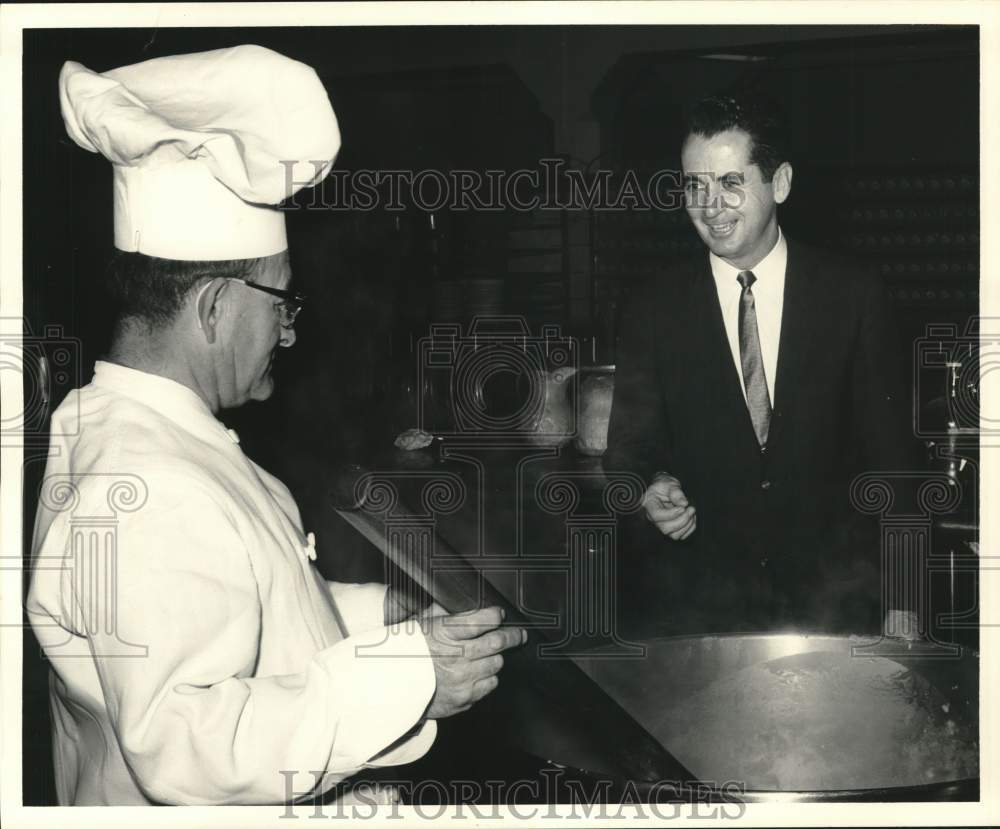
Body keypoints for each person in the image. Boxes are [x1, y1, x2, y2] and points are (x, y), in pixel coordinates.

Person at [27, 45, 524, 807]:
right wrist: (408, 677)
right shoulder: (152, 486)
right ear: (215, 307)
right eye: (281, 305)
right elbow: (183, 742)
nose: (290, 334)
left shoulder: (127, 425)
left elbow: (235, 608)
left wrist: (379, 615)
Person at [606, 92, 916, 630]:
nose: (709, 207)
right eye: (694, 185)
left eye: (730, 183)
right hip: (700, 611)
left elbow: (894, 459)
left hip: (835, 603)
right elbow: (628, 451)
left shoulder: (853, 294)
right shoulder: (653, 307)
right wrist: (650, 484)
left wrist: (905, 600)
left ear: (782, 183)